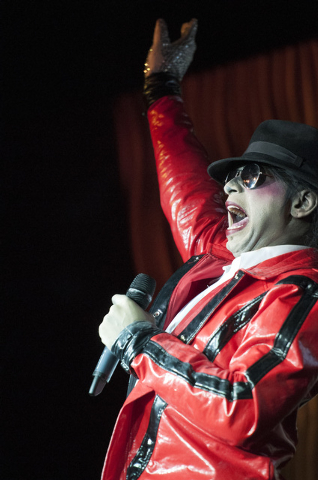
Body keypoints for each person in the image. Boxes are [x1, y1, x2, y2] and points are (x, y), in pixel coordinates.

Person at [98, 19, 318, 480]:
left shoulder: (301, 295)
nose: (232, 183)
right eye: (233, 176)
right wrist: (161, 85)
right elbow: (185, 184)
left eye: (254, 177)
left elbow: (243, 408)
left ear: (302, 202)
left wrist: (138, 342)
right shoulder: (223, 257)